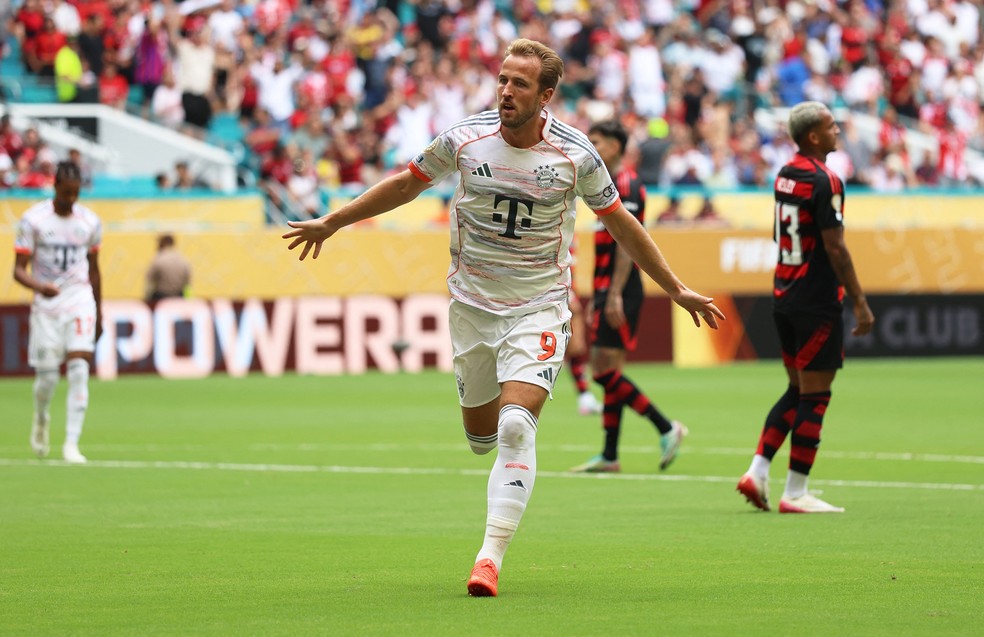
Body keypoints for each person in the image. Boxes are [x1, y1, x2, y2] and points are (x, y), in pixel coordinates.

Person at [283, 39, 724, 597]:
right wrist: (334, 221)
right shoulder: (464, 138)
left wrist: (676, 288)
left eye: (519, 83)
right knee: (481, 437)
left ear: (546, 95)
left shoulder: (576, 154)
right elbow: (405, 184)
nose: (506, 91)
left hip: (540, 306)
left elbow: (622, 224)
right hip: (472, 307)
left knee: (516, 426)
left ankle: (488, 559)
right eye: (502, 79)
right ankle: (490, 455)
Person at [736, 101, 874, 514]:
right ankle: (796, 492)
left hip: (784, 294)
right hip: (816, 300)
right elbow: (836, 247)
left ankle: (757, 471)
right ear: (813, 136)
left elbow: (779, 234)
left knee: (797, 388)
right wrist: (860, 301)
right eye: (831, 126)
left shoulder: (785, 174)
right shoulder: (825, 180)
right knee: (816, 395)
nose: (837, 131)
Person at [570, 120, 687, 474]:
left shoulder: (626, 183)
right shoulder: (603, 183)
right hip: (607, 287)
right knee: (610, 370)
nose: (592, 148)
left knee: (602, 371)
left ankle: (666, 427)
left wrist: (614, 294)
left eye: (597, 142)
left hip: (620, 288)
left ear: (616, 146)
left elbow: (628, 242)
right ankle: (610, 455)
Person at [13, 161, 102, 464]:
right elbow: (17, 270)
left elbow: (94, 270)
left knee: (79, 370)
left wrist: (99, 312)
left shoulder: (90, 222)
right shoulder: (33, 220)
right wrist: (40, 287)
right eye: (66, 193)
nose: (71, 199)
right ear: (55, 187)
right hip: (47, 307)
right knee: (48, 379)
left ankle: (71, 444)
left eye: (76, 194)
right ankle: (41, 416)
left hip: (80, 300)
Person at [145, 233, 192, 302]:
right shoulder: (183, 260)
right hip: (179, 298)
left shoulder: (158, 259)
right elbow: (188, 285)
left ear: (162, 243)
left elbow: (149, 282)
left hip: (160, 299)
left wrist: (147, 301)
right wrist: (188, 301)